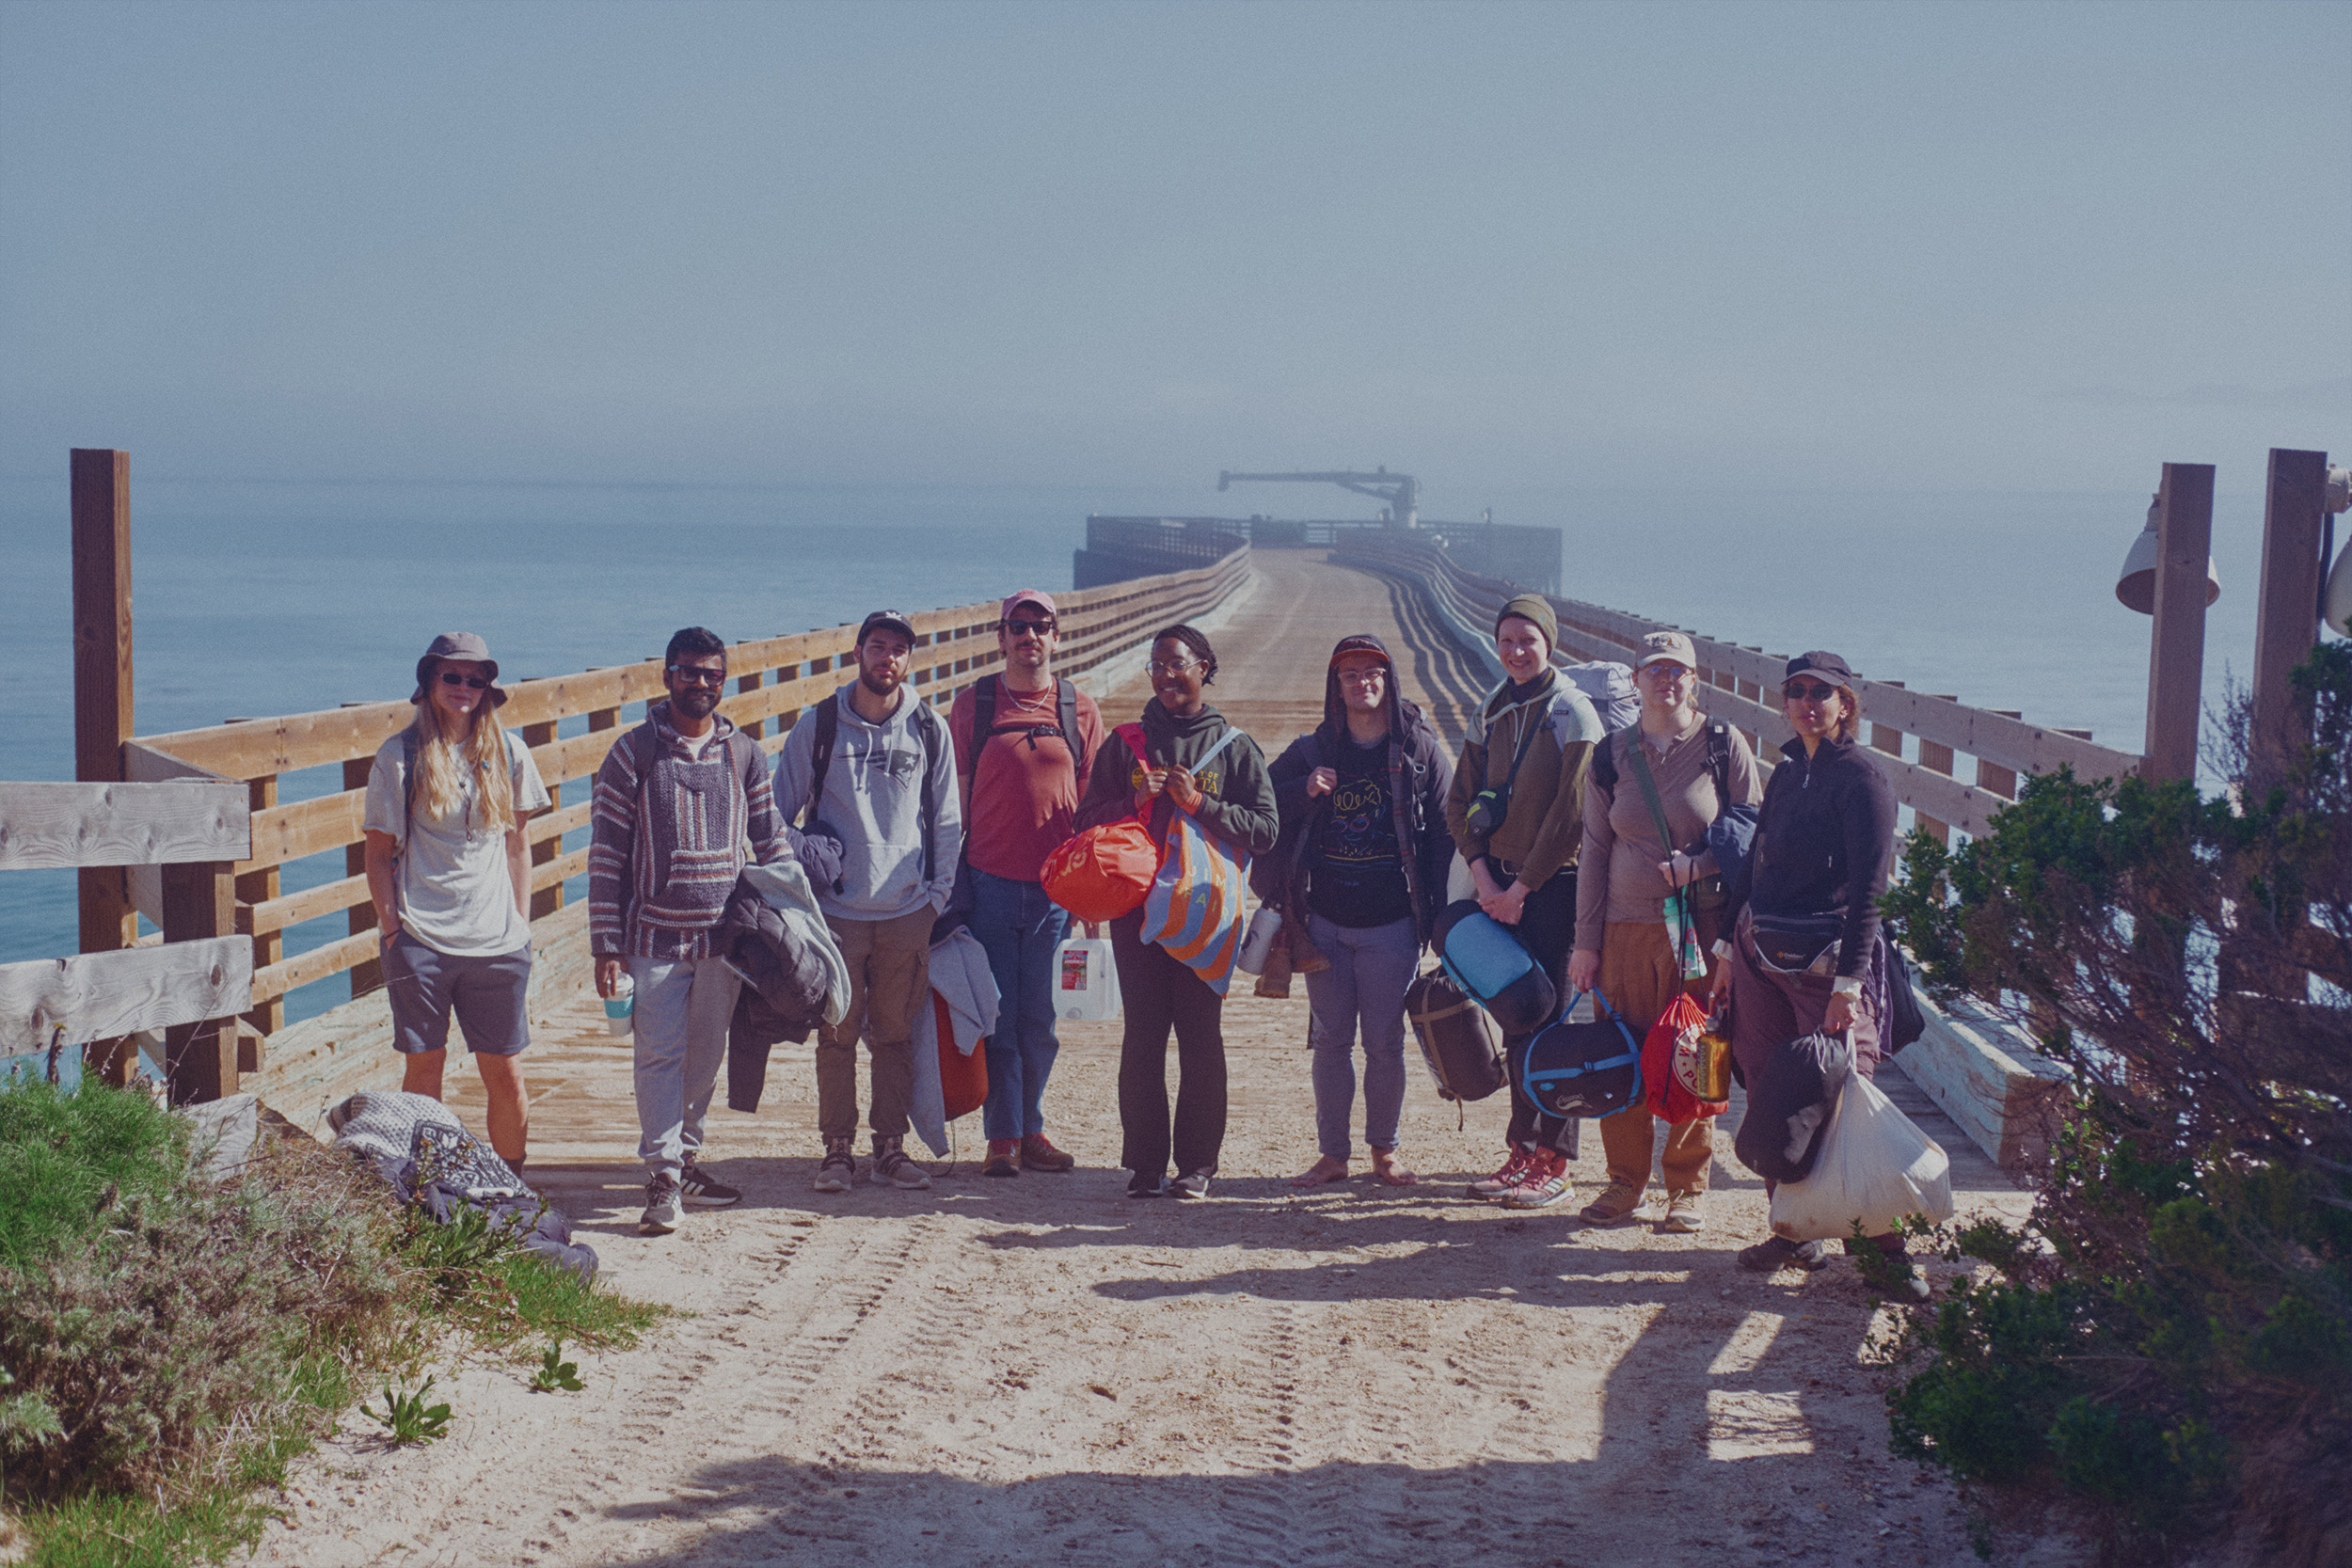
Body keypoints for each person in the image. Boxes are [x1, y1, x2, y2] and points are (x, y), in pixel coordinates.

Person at [1706, 651, 1920, 1296]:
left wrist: (1850, 986)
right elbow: (1755, 860)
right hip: (1757, 953)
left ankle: (1886, 1253)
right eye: (1796, 691)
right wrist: (1722, 947)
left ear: (1845, 704)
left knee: (1841, 1091)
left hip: (1826, 964)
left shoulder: (1863, 779)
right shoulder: (1788, 768)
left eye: (1820, 693)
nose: (1806, 702)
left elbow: (1871, 892)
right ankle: (1794, 1228)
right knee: (1770, 1090)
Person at [591, 626, 797, 1235]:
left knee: (704, 1059)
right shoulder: (632, 754)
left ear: (722, 680)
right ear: (667, 676)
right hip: (651, 939)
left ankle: (685, 1161)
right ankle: (661, 1176)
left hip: (724, 939)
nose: (700, 683)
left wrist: (795, 915)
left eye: (711, 674)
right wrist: (606, 944)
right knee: (658, 1055)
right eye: (689, 671)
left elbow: (773, 837)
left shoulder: (744, 753)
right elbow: (605, 855)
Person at [1565, 630, 1762, 1233]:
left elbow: (1753, 830)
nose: (1665, 681)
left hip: (1698, 929)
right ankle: (1626, 1182)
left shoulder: (1724, 745)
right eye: (1654, 670)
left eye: (1676, 671)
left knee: (1699, 1051)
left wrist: (1699, 866)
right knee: (1620, 1055)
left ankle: (1688, 1188)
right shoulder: (1611, 755)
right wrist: (1585, 941)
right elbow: (1595, 850)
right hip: (1624, 925)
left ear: (1694, 680)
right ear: (1636, 679)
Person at [1072, 625, 1278, 1199]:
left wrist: (1200, 804)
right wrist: (1135, 799)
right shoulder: (1126, 743)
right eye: (1155, 665)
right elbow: (1085, 823)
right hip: (1136, 911)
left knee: (1199, 1035)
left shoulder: (1234, 746)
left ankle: (1197, 1166)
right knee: (1142, 1035)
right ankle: (1144, 1165)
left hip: (1204, 911)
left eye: (1177, 664)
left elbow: (1266, 830)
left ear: (1205, 667)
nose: (1165, 675)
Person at [773, 609, 964, 1196]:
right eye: (878, 646)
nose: (888, 658)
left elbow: (949, 819)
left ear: (909, 660)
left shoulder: (929, 728)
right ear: (858, 652)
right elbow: (777, 814)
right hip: (836, 916)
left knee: (895, 1034)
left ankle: (889, 1147)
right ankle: (836, 1150)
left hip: (908, 911)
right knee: (836, 1034)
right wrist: (800, 895)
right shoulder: (821, 725)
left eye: (899, 650)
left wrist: (936, 897)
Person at [1268, 634, 1454, 1188]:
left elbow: (1446, 829)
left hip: (1393, 925)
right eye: (1350, 674)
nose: (1362, 682)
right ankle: (1333, 1155)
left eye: (1372, 672)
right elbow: (1262, 800)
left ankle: (1385, 1151)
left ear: (1388, 679)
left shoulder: (1417, 747)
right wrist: (1304, 789)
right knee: (1331, 1042)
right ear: (1336, 685)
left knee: (1384, 1043)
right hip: (1323, 923)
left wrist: (1443, 919)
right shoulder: (1313, 750)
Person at [362, 633, 550, 1172]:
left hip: (496, 942)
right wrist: (393, 930)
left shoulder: (510, 752)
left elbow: (518, 842)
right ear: (429, 682)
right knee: (425, 1071)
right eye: (452, 677)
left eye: (476, 679)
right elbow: (377, 854)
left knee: (506, 1072)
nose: (464, 689)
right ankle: (428, 1190)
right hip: (421, 940)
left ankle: (515, 1190)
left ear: (488, 689)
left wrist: (520, 924)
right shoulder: (398, 757)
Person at [1444, 593, 1603, 1210]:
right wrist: (1485, 880)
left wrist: (1521, 888)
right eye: (1506, 640)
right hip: (1498, 886)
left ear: (1550, 643)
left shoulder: (1573, 712)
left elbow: (1571, 816)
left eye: (1527, 640)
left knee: (1553, 1022)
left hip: (1553, 889)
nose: (1515, 650)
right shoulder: (1492, 707)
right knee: (1517, 1015)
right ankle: (1521, 1147)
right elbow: (1459, 801)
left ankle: (1556, 1158)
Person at [946, 590, 1106, 1179]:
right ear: (1002, 636)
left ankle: (1031, 1128)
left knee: (1039, 1017)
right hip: (987, 882)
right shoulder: (974, 705)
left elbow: (1093, 808)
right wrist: (945, 879)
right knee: (998, 1014)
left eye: (1041, 627)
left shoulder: (1078, 708)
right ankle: (1002, 1137)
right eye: (1019, 626)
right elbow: (953, 802)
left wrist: (1093, 894)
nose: (1029, 636)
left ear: (1056, 637)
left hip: (1055, 892)